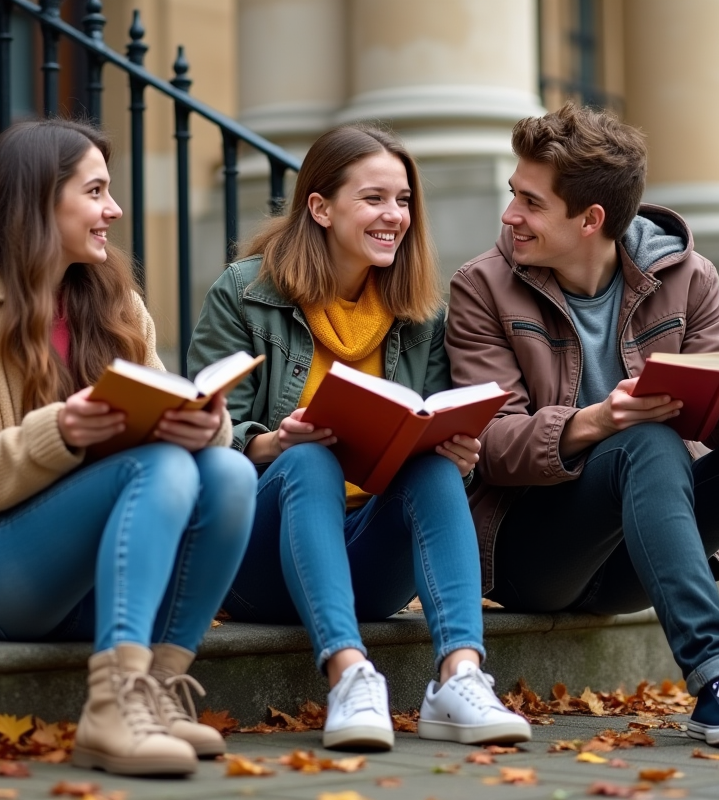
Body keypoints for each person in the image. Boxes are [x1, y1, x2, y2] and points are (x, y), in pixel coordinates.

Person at [445, 104, 719, 752]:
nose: (510, 216)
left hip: (645, 547)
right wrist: (592, 421)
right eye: (512, 196)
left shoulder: (689, 277)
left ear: (591, 221)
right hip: (536, 550)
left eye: (530, 202)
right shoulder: (482, 288)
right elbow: (490, 446)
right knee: (642, 438)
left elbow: (717, 408)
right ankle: (716, 673)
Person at [0, 119, 257, 777]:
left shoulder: (116, 303)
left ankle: (158, 682)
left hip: (101, 580)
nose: (112, 210)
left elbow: (174, 409)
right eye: (95, 192)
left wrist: (206, 425)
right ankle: (113, 703)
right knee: (159, 464)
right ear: (38, 202)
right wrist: (59, 433)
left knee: (229, 471)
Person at [188, 123, 530, 751]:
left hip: (368, 556)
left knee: (429, 466)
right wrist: (274, 445)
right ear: (319, 207)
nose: (394, 215)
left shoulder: (420, 314)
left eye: (403, 201)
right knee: (312, 460)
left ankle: (460, 676)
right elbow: (204, 435)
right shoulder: (243, 294)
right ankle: (348, 675)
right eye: (374, 198)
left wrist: (456, 455)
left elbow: (427, 425)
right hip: (263, 562)